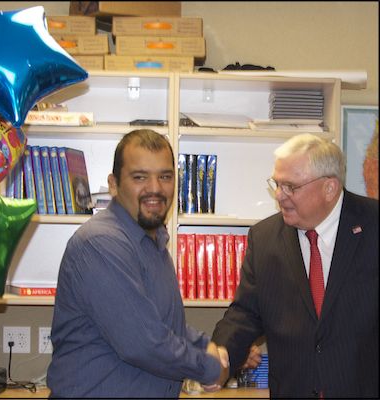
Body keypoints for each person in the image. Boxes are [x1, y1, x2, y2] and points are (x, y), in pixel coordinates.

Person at [47, 129, 228, 398]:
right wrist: (211, 367)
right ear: (113, 184)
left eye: (165, 177)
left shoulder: (153, 243)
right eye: (140, 177)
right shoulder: (101, 243)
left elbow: (162, 324)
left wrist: (207, 345)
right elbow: (144, 344)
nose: (155, 188)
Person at [211, 133, 379, 398]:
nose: (279, 195)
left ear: (329, 188)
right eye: (276, 184)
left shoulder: (373, 226)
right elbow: (244, 314)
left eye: (291, 186)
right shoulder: (264, 238)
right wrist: (221, 353)